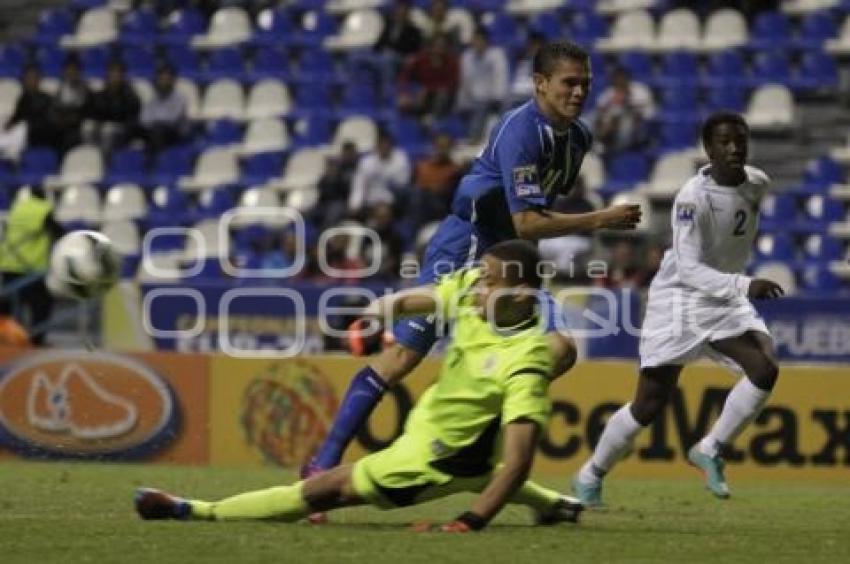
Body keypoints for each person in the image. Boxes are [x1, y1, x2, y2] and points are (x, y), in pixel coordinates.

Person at [302, 40, 642, 487]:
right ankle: (320, 466)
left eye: (585, 84)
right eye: (569, 83)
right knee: (403, 356)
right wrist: (600, 219)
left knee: (561, 351)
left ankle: (461, 431)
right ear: (540, 84)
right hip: (469, 244)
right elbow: (527, 221)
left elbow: (534, 215)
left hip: (514, 259)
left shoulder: (578, 137)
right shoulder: (521, 129)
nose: (579, 92)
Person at [135, 240, 584, 530]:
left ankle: (195, 510)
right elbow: (411, 299)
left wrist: (471, 522)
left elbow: (519, 461)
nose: (477, 287)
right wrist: (374, 315)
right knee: (477, 471)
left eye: (489, 282)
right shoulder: (472, 294)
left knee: (317, 493)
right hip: (447, 444)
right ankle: (554, 506)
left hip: (425, 464)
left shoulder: (526, 361)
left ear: (521, 296)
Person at [572, 112, 784, 506]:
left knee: (765, 368)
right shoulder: (692, 199)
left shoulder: (758, 183)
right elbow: (687, 268)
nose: (734, 148)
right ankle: (590, 474)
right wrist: (744, 283)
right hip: (680, 300)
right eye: (724, 141)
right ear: (708, 149)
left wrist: (735, 283)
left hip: (723, 295)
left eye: (740, 140)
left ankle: (711, 448)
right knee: (648, 404)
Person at [0, 186, 64, 345]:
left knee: (10, 308)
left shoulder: (17, 209)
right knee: (42, 305)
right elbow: (60, 234)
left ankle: (9, 341)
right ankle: (36, 341)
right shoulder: (43, 210)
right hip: (29, 268)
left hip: (8, 265)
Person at [457, 27, 509, 142]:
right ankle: (471, 138)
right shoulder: (467, 56)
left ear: (486, 41)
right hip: (474, 100)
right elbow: (465, 81)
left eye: (480, 40)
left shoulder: (496, 54)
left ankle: (477, 138)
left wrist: (497, 98)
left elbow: (500, 77)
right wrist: (462, 103)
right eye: (475, 40)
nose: (477, 43)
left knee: (484, 110)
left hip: (492, 99)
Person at [592, 67, 655, 156]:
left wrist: (625, 102)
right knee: (590, 118)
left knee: (623, 121)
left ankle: (608, 145)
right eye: (616, 80)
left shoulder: (640, 90)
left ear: (627, 79)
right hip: (612, 123)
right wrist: (609, 105)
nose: (619, 82)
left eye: (622, 79)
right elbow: (599, 108)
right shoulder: (611, 91)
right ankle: (600, 142)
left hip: (639, 124)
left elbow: (643, 112)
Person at [347, 130, 411, 218]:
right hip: (370, 202)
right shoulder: (366, 162)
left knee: (384, 212)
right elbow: (359, 185)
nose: (384, 147)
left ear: (392, 145)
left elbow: (402, 184)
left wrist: (384, 169)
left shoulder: (401, 159)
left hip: (393, 202)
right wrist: (354, 205)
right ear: (376, 145)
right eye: (381, 144)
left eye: (387, 144)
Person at [397, 33, 459, 120]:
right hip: (421, 93)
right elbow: (405, 75)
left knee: (442, 94)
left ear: (447, 47)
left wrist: (428, 90)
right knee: (403, 103)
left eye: (442, 46)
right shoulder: (422, 58)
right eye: (437, 45)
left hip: (440, 96)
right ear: (431, 46)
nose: (439, 48)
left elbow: (452, 84)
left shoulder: (452, 62)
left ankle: (431, 118)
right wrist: (404, 93)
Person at [85, 60, 141, 153]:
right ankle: (92, 155)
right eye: (112, 72)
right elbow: (94, 114)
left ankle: (106, 159)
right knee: (87, 126)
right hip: (102, 129)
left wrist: (115, 124)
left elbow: (132, 121)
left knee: (108, 129)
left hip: (123, 132)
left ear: (123, 76)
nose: (114, 76)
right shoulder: (100, 95)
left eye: (118, 73)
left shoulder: (130, 97)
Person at [137, 64, 189, 158]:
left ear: (173, 81)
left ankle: (155, 163)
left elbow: (171, 119)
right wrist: (154, 122)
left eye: (167, 79)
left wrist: (155, 121)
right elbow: (144, 119)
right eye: (161, 79)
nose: (164, 82)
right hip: (154, 130)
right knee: (132, 127)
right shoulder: (153, 98)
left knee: (159, 130)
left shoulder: (179, 98)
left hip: (175, 133)